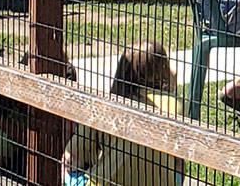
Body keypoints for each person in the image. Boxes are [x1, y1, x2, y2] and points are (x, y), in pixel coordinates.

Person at [62, 40, 181, 186]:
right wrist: (172, 89)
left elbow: (71, 158)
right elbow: (179, 164)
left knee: (68, 171)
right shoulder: (174, 106)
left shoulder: (105, 108)